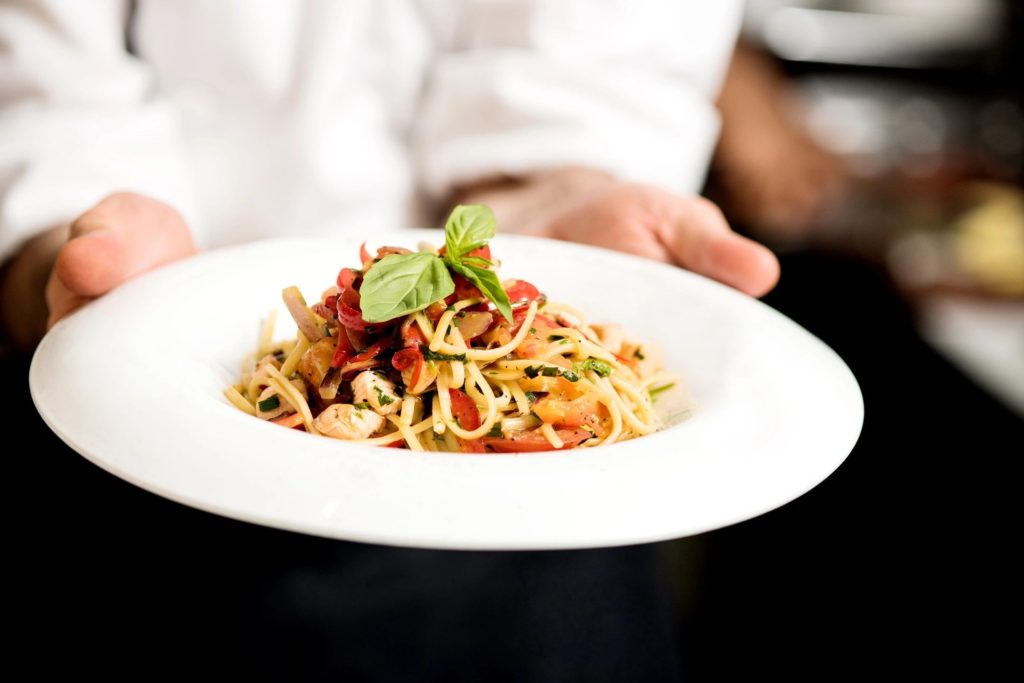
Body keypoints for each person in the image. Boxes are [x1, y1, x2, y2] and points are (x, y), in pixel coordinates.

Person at [1, 2, 778, 679]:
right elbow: (43, 92)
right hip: (146, 482)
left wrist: (564, 184)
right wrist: (61, 246)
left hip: (540, 552)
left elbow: (607, 63)